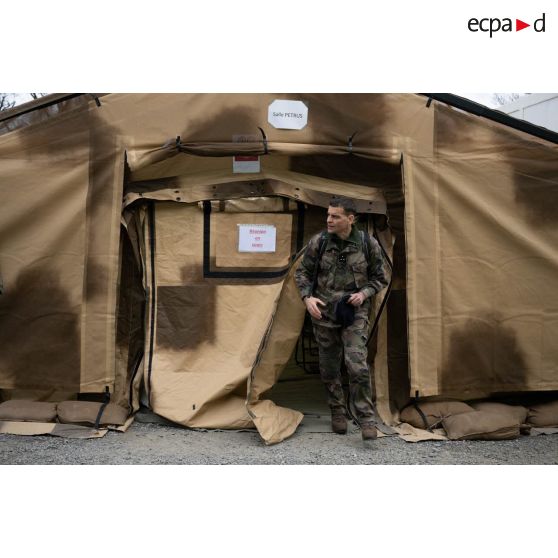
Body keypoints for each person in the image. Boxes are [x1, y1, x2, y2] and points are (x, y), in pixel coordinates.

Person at [295, 196, 388, 443]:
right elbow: (302, 273)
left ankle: (367, 418)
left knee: (356, 364)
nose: (329, 220)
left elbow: (380, 278)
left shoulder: (368, 244)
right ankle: (338, 411)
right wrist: (307, 299)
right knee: (328, 366)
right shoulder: (320, 242)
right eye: (328, 215)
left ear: (350, 218)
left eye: (335, 216)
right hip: (324, 313)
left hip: (353, 313)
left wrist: (364, 293)